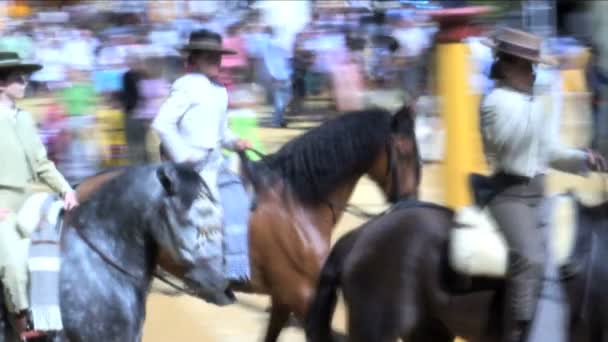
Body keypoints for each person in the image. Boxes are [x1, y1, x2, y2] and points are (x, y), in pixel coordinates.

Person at [480, 28, 607, 342]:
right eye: (527, 66)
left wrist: (584, 160)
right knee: (532, 258)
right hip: (509, 196)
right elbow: (513, 144)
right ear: (507, 65)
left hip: (540, 190)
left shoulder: (530, 101)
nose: (533, 73)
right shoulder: (495, 102)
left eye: (534, 66)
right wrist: (551, 100)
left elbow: (548, 151)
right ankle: (517, 332)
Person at [152, 30, 252, 302]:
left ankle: (234, 266)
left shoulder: (219, 91)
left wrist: (236, 141)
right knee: (205, 218)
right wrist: (182, 154)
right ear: (194, 59)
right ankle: (203, 275)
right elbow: (162, 124)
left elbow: (222, 132)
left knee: (241, 199)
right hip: (188, 168)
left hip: (216, 164)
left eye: (218, 56)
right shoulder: (187, 85)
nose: (216, 61)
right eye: (210, 56)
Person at [0, 51, 78, 334]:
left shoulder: (25, 118)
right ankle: (23, 329)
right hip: (2, 208)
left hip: (30, 201)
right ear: (1, 83)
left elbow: (42, 163)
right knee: (14, 265)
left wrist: (66, 190)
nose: (24, 81)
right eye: (18, 77)